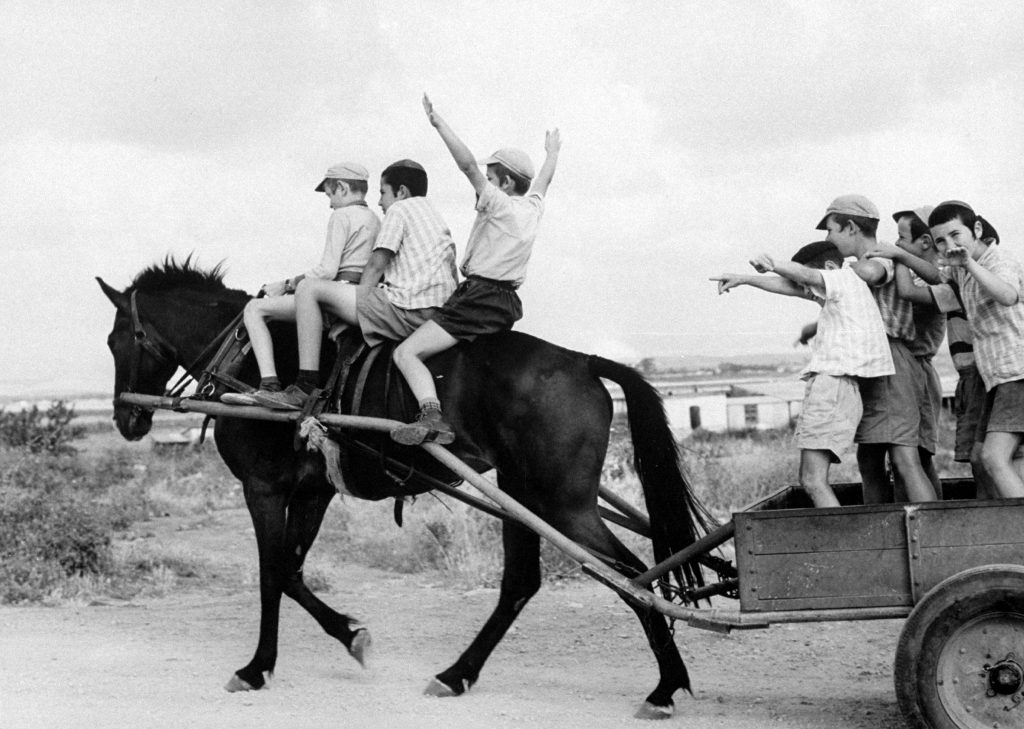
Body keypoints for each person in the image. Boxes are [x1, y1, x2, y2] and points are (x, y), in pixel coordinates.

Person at [388, 94, 562, 445]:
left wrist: (439, 124)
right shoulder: (531, 209)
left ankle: (432, 414)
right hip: (506, 303)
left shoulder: (499, 204)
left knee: (405, 352)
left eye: (491, 177)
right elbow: (543, 183)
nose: (484, 181)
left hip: (479, 296)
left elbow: (466, 165)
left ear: (507, 184)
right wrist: (552, 154)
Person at [252, 159, 458, 410]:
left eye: (383, 193)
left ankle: (304, 386)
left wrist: (358, 308)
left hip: (408, 309)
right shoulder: (433, 216)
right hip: (439, 315)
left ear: (401, 192)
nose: (380, 201)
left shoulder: (399, 210)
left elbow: (375, 265)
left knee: (308, 288)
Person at [711, 241, 894, 508]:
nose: (807, 291)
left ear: (830, 268)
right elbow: (793, 286)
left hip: (831, 385)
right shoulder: (849, 291)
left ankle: (843, 545)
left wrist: (774, 264)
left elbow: (806, 278)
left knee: (812, 480)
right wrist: (744, 280)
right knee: (813, 479)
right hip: (840, 386)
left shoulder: (843, 277)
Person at [223, 163, 380, 406]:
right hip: (358, 296)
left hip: (333, 294)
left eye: (330, 194)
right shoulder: (374, 218)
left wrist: (285, 284)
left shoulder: (341, 216)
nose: (329, 202)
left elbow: (327, 270)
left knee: (254, 309)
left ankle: (269, 385)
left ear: (341, 187)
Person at [817, 195, 937, 503]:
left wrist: (824, 275)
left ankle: (932, 536)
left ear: (852, 228)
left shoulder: (880, 256)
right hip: (871, 362)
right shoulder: (858, 264)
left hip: (892, 359)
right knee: (869, 461)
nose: (828, 238)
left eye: (831, 230)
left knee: (904, 459)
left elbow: (871, 274)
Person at [929, 200, 1024, 498]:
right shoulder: (961, 270)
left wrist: (968, 263)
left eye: (956, 235)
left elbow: (1008, 295)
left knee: (994, 458)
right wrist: (898, 255)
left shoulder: (999, 260)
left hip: (1017, 373)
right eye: (941, 241)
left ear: (977, 229)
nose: (949, 245)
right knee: (982, 459)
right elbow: (934, 277)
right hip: (996, 380)